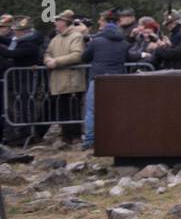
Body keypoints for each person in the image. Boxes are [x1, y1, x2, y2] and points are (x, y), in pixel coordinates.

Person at [79, 10, 130, 149]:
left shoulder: (96, 42)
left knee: (91, 110)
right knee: (116, 110)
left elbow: (84, 57)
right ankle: (116, 137)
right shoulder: (123, 43)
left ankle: (90, 140)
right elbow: (129, 57)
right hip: (117, 79)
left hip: (98, 78)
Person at [42, 9, 87, 142]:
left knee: (73, 110)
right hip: (59, 80)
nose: (55, 23)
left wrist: (56, 61)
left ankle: (75, 136)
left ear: (64, 22)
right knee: (63, 110)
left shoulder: (76, 37)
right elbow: (47, 52)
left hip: (72, 80)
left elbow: (77, 55)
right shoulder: (55, 39)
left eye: (58, 20)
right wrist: (48, 60)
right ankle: (66, 137)